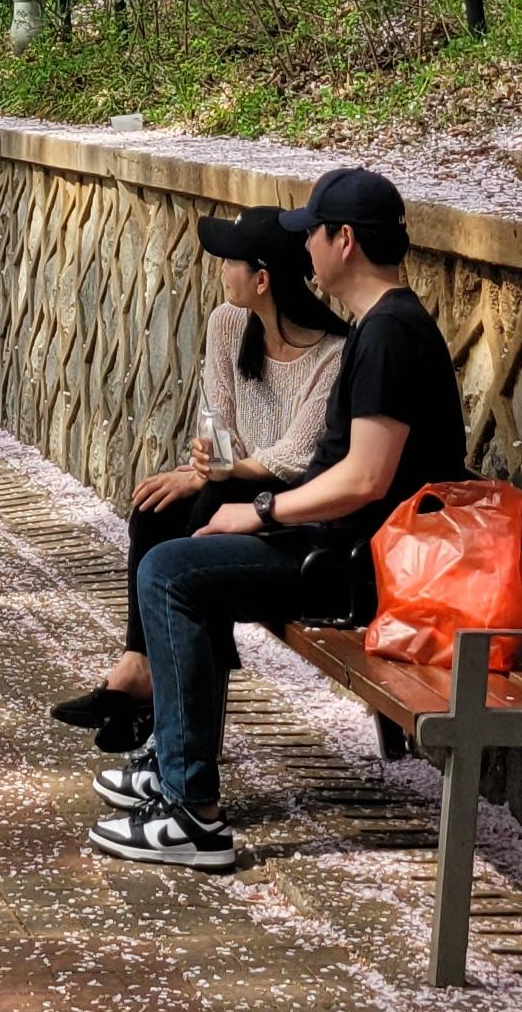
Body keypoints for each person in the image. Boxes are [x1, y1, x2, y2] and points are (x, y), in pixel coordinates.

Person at [90, 164, 466, 873]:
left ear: (344, 240)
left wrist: (260, 512)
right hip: (344, 550)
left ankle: (191, 813)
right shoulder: (382, 326)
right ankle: (176, 773)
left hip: (356, 568)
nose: (306, 248)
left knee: (172, 574)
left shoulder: (389, 334)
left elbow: (365, 477)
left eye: (311, 233)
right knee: (179, 555)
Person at [51, 207, 348, 749]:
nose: (221, 270)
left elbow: (298, 455)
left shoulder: (333, 355)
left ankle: (172, 719)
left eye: (231, 261)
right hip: (233, 485)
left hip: (294, 509)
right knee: (154, 508)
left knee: (201, 516)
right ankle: (140, 664)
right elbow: (217, 420)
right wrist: (207, 466)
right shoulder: (228, 323)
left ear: (262, 279)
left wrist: (218, 473)